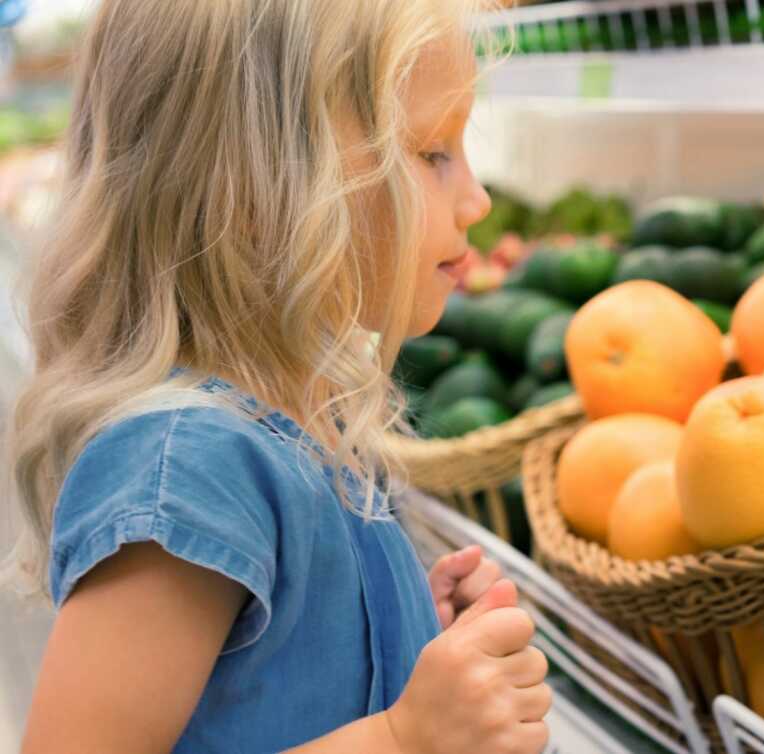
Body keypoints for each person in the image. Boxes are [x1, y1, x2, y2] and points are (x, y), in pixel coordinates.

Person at [2, 1, 552, 753]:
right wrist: (405, 736)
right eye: (431, 153)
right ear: (261, 191)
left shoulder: (300, 410)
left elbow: (263, 688)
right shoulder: (186, 466)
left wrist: (407, 650)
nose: (478, 199)